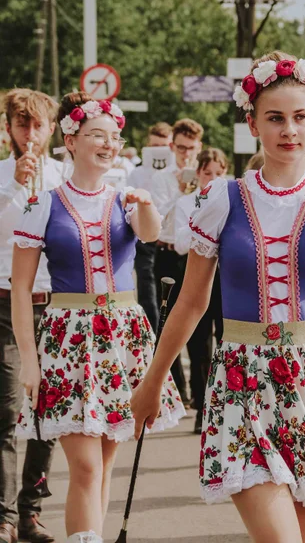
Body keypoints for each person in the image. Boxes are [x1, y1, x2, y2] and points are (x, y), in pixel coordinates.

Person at [132, 51, 305, 543]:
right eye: (275, 118)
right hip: (242, 380)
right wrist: (154, 381)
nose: (289, 130)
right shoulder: (223, 199)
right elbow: (191, 302)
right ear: (253, 123)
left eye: (300, 118)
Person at [11, 93, 185, 543]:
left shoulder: (125, 199)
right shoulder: (40, 205)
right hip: (67, 340)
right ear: (70, 139)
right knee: (85, 465)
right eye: (96, 136)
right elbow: (21, 290)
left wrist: (145, 203)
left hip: (122, 336)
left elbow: (149, 235)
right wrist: (30, 362)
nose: (108, 144)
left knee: (105, 464)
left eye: (114, 137)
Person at [0, 89, 62, 543]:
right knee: (6, 410)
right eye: (22, 124)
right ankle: (1, 515)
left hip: (54, 304)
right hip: (4, 304)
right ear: (8, 131)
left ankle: (30, 511)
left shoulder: (64, 177)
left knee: (48, 414)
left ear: (52, 128)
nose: (31, 133)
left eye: (38, 124)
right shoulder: (1, 177)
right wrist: (15, 184)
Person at [151, 118, 204, 403]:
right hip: (166, 253)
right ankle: (175, 390)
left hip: (194, 256)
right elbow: (155, 219)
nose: (186, 154)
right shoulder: (161, 178)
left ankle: (199, 391)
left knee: (198, 322)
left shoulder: (203, 174)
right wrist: (180, 194)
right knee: (166, 322)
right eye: (181, 148)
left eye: (191, 148)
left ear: (199, 147)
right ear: (172, 146)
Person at [174, 147, 227, 433]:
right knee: (200, 348)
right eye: (208, 174)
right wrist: (203, 218)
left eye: (219, 173)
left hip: (226, 279)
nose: (214, 179)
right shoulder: (187, 202)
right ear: (198, 174)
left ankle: (226, 407)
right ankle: (202, 408)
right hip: (197, 277)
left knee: (227, 341)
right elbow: (181, 243)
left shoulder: (232, 200)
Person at [128, 122, 173, 332]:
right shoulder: (137, 173)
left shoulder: (179, 173)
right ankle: (152, 334)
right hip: (145, 238)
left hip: (169, 238)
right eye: (154, 145)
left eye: (163, 146)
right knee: (147, 289)